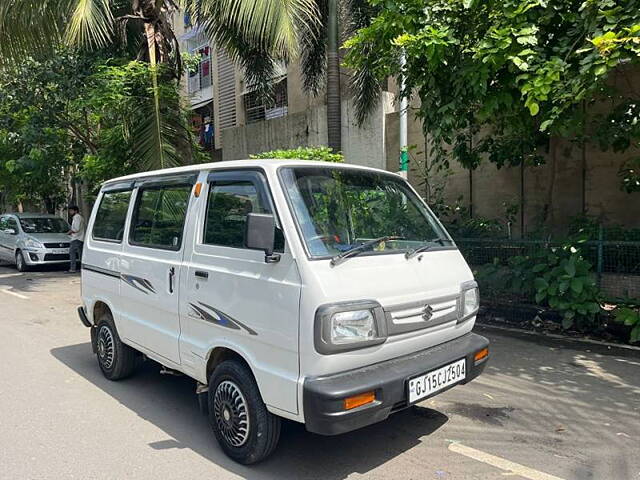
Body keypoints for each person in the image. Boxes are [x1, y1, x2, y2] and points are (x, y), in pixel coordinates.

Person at [67, 206, 85, 273]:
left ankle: (73, 268)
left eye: (71, 210)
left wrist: (70, 232)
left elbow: (76, 229)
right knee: (80, 254)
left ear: (75, 211)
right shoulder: (78, 217)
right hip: (80, 237)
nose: (70, 212)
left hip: (76, 238)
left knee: (72, 252)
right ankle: (81, 268)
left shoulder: (77, 217)